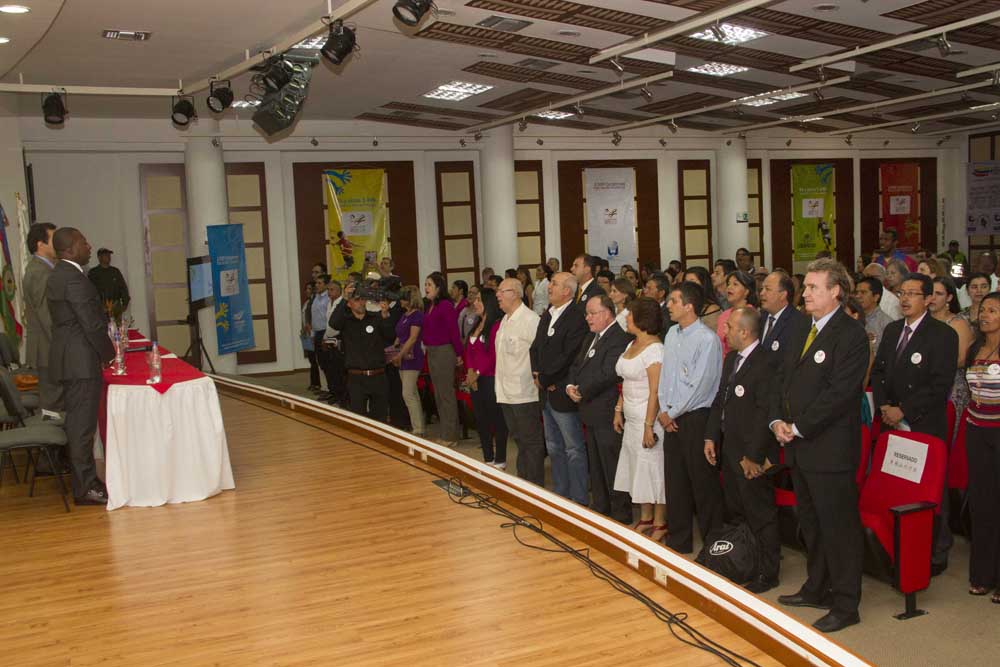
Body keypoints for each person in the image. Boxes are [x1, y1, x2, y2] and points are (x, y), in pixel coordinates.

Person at [770, 258, 869, 634]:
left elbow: (840, 394)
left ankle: (846, 603)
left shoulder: (851, 334)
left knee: (838, 528)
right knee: (811, 524)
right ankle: (817, 586)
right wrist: (778, 421)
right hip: (799, 447)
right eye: (806, 286)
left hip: (830, 450)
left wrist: (798, 427)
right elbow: (784, 379)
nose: (805, 293)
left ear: (836, 291)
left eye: (813, 287)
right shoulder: (802, 328)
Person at [872, 272, 959, 573]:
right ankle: (900, 543)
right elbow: (879, 372)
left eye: (912, 293)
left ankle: (938, 549)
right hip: (891, 420)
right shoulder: (893, 329)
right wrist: (884, 405)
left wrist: (904, 410)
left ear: (928, 298)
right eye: (902, 293)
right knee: (899, 483)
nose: (905, 299)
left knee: (931, 488)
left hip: (923, 422)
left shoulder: (943, 335)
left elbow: (940, 384)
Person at [704, 306, 781, 594]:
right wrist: (711, 436)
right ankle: (743, 560)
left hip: (752, 453)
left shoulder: (766, 362)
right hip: (730, 448)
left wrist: (754, 456)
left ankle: (768, 572)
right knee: (737, 510)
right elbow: (720, 400)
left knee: (760, 513)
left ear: (745, 332)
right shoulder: (732, 359)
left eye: (729, 328)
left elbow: (765, 413)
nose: (724, 332)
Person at [47, 227, 116, 505]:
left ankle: (87, 481)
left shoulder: (60, 274)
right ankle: (85, 487)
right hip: (80, 362)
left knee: (80, 424)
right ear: (70, 248)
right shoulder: (73, 278)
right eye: (84, 242)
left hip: (72, 358)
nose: (89, 246)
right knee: (81, 427)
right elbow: (91, 323)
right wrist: (109, 354)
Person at [658, 282, 724, 552]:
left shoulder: (707, 340)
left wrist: (671, 412)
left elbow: (701, 386)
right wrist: (664, 409)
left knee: (703, 485)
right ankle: (679, 541)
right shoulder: (671, 333)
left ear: (689, 306)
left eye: (673, 301)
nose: (668, 305)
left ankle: (713, 546)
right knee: (675, 482)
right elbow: (666, 376)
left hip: (696, 417)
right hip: (670, 416)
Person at [566, 294, 633, 523]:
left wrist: (582, 389)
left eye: (592, 313)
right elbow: (577, 365)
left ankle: (620, 513)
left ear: (606, 314)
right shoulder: (591, 337)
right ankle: (601, 507)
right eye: (587, 313)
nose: (588, 318)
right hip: (590, 410)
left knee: (612, 464)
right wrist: (570, 386)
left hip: (607, 411)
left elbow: (609, 373)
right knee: (596, 464)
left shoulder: (619, 338)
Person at [531, 272, 589, 505]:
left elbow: (570, 355)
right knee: (554, 447)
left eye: (554, 284)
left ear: (567, 291)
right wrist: (538, 374)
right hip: (546, 390)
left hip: (563, 391)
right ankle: (561, 494)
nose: (549, 287)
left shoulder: (576, 316)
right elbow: (535, 347)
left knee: (573, 449)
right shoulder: (548, 313)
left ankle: (578, 499)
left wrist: (546, 378)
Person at [610, 297, 665, 536]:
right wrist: (618, 409)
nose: (626, 318)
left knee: (653, 469)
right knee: (637, 468)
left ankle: (660, 522)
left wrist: (648, 425)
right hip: (631, 417)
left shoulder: (655, 350)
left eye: (630, 314)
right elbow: (625, 381)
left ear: (642, 318)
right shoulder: (631, 344)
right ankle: (645, 517)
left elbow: (656, 391)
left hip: (648, 417)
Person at [963, 292, 1000, 604]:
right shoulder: (975, 348)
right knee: (982, 504)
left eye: (993, 310)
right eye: (983, 310)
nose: (984, 315)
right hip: (976, 431)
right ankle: (982, 575)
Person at [495, 278, 544, 485]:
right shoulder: (505, 320)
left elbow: (541, 354)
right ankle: (523, 483)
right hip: (505, 392)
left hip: (524, 393)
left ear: (515, 293)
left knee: (530, 443)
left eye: (502, 291)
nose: (497, 294)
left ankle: (534, 487)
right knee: (519, 441)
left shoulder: (530, 320)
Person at [329, 283, 396, 421]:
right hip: (356, 378)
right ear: (349, 304)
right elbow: (333, 323)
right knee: (359, 420)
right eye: (356, 300)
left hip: (378, 376)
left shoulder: (376, 317)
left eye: (362, 299)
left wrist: (385, 316)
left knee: (380, 419)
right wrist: (344, 298)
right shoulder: (346, 321)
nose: (361, 302)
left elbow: (390, 336)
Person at [464, 288, 508, 469]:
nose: (475, 303)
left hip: (490, 378)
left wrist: (477, 373)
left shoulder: (496, 325)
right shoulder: (476, 323)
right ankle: (488, 458)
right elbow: (468, 352)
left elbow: (493, 356)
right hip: (475, 379)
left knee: (497, 420)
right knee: (481, 420)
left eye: (479, 300)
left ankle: (500, 459)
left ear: (489, 303)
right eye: (475, 300)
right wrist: (470, 372)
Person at [23, 222, 62, 416]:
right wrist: (63, 347)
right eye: (54, 239)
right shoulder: (39, 272)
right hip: (47, 348)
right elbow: (46, 315)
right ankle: (52, 436)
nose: (58, 243)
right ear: (40, 244)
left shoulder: (46, 269)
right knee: (52, 406)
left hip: (48, 347)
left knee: (55, 403)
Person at [929, 276, 974, 441]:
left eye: (939, 294)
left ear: (949, 297)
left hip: (952, 385)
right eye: (930, 293)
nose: (933, 298)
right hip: (924, 383)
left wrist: (933, 369)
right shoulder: (922, 321)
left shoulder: (957, 323)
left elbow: (963, 358)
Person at [423, 272, 464, 447]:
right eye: (425, 284)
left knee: (446, 394)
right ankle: (446, 432)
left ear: (439, 288)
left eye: (429, 284)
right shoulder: (430, 305)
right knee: (438, 394)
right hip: (432, 351)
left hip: (444, 351)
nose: (426, 288)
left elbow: (453, 331)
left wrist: (459, 354)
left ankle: (451, 435)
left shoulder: (446, 305)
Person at [391, 285, 425, 437]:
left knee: (408, 394)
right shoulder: (405, 315)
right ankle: (418, 426)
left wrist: (399, 354)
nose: (400, 301)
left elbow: (413, 338)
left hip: (412, 356)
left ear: (410, 299)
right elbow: (399, 335)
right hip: (403, 356)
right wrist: (394, 350)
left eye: (403, 298)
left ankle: (418, 429)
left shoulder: (417, 315)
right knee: (412, 393)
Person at [759, 271, 809, 363]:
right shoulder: (759, 317)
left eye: (767, 289)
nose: (762, 293)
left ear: (783, 295)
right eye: (762, 289)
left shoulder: (798, 322)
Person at [716, 271, 760, 356]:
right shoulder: (723, 315)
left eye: (735, 284)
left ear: (746, 291)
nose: (729, 287)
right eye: (728, 284)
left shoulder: (751, 315)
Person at [321, 279, 347, 406]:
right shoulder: (329, 303)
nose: (329, 292)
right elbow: (328, 324)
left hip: (338, 338)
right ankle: (335, 394)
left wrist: (328, 337)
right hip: (329, 337)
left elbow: (336, 325)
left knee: (340, 370)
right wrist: (325, 338)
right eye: (328, 289)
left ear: (339, 291)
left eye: (332, 289)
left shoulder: (341, 303)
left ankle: (343, 397)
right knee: (332, 369)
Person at [853, 277, 893, 352]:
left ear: (876, 297)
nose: (858, 296)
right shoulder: (852, 317)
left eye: (863, 292)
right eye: (856, 293)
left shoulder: (887, 324)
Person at [309, 274, 332, 396]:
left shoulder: (328, 298)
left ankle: (331, 389)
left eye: (320, 283)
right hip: (317, 333)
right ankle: (324, 388)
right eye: (316, 283)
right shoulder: (316, 297)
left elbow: (328, 318)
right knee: (321, 362)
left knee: (327, 363)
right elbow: (314, 317)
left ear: (326, 285)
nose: (316, 285)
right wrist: (313, 334)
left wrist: (325, 336)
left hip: (325, 333)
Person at [683, 266, 722, 331]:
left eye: (692, 282)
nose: (688, 286)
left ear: (704, 284)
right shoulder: (686, 305)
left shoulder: (712, 309)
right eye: (686, 282)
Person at [300, 282, 320, 392]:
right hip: (306, 334)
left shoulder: (315, 302)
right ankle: (314, 382)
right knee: (311, 360)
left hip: (313, 334)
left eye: (309, 288)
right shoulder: (307, 302)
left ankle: (317, 384)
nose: (307, 291)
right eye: (306, 288)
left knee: (316, 360)